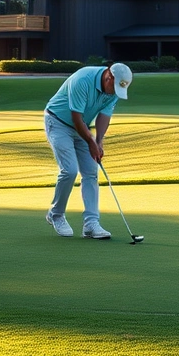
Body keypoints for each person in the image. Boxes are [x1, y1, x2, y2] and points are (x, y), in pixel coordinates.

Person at [43, 63, 133, 239]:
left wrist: (99, 141)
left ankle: (91, 224)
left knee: (91, 172)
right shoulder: (82, 80)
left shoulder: (113, 90)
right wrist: (91, 141)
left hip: (82, 126)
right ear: (109, 76)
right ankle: (56, 215)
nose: (113, 92)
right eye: (113, 87)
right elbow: (75, 118)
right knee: (69, 170)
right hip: (58, 122)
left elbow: (104, 116)